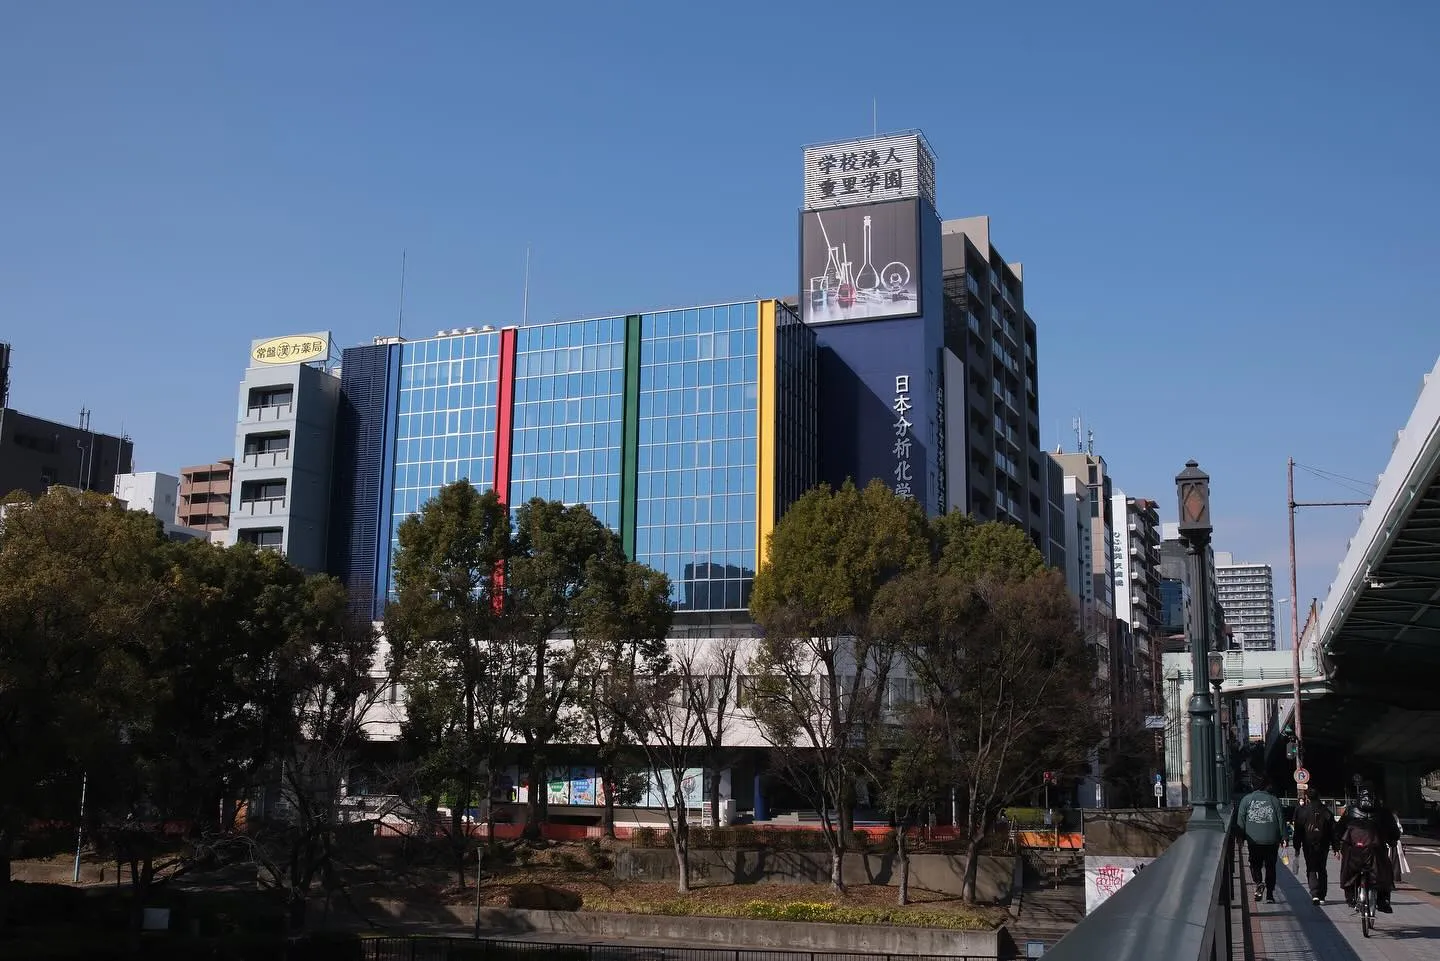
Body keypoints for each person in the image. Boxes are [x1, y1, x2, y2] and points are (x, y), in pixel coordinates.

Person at [1337, 788, 1398, 913]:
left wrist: (1338, 844)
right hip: (1376, 851)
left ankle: (1351, 898)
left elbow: (1339, 829)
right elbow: (1393, 830)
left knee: (1347, 871)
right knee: (1385, 871)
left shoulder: (1351, 810)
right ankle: (1383, 901)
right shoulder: (1383, 811)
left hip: (1353, 851)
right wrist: (1392, 840)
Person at [1237, 777, 1286, 903]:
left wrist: (1240, 837)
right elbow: (1281, 819)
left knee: (1254, 863)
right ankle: (1270, 894)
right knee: (1271, 867)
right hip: (1271, 840)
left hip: (1254, 840)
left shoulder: (1246, 800)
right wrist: (1284, 837)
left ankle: (1259, 883)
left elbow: (1241, 821)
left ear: (1253, 786)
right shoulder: (1274, 800)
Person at [1292, 789, 1336, 904]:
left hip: (1308, 844)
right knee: (1322, 868)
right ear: (1319, 796)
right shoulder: (1326, 811)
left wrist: (1297, 846)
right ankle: (1322, 895)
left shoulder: (1303, 811)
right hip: (1324, 844)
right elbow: (1333, 831)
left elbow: (1298, 831)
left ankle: (1314, 893)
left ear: (1307, 798)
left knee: (1311, 867)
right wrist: (1336, 847)